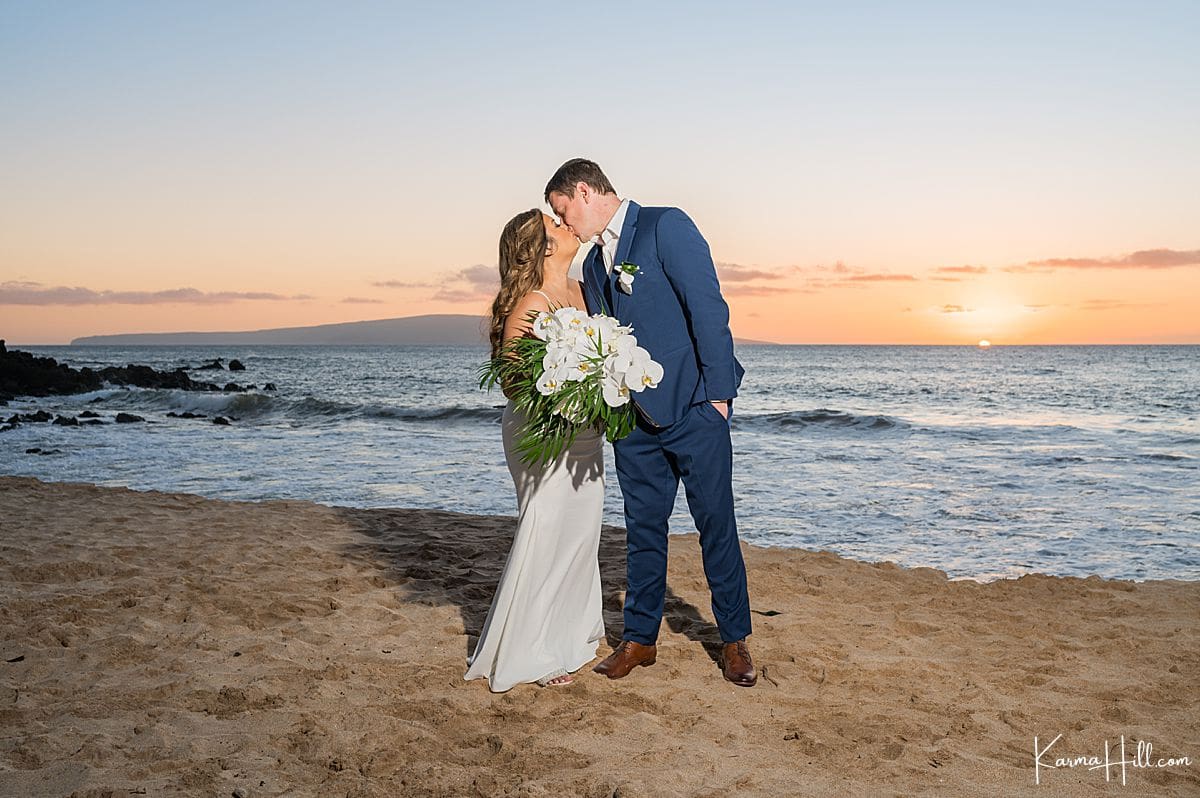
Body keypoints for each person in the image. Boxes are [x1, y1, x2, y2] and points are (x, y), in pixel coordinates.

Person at [545, 158, 757, 687]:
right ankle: (640, 641)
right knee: (642, 531)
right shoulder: (593, 267)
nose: (565, 223)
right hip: (632, 422)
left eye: (563, 209)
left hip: (694, 410)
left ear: (586, 191)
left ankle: (734, 640)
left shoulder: (666, 226)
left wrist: (718, 398)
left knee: (716, 527)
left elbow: (708, 309)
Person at [463, 208, 606, 690]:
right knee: (545, 527)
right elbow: (510, 381)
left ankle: (567, 634)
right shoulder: (531, 303)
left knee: (580, 533)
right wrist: (562, 389)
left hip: (585, 433)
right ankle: (530, 651)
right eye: (556, 225)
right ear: (543, 248)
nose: (568, 227)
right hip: (540, 433)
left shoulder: (584, 291)